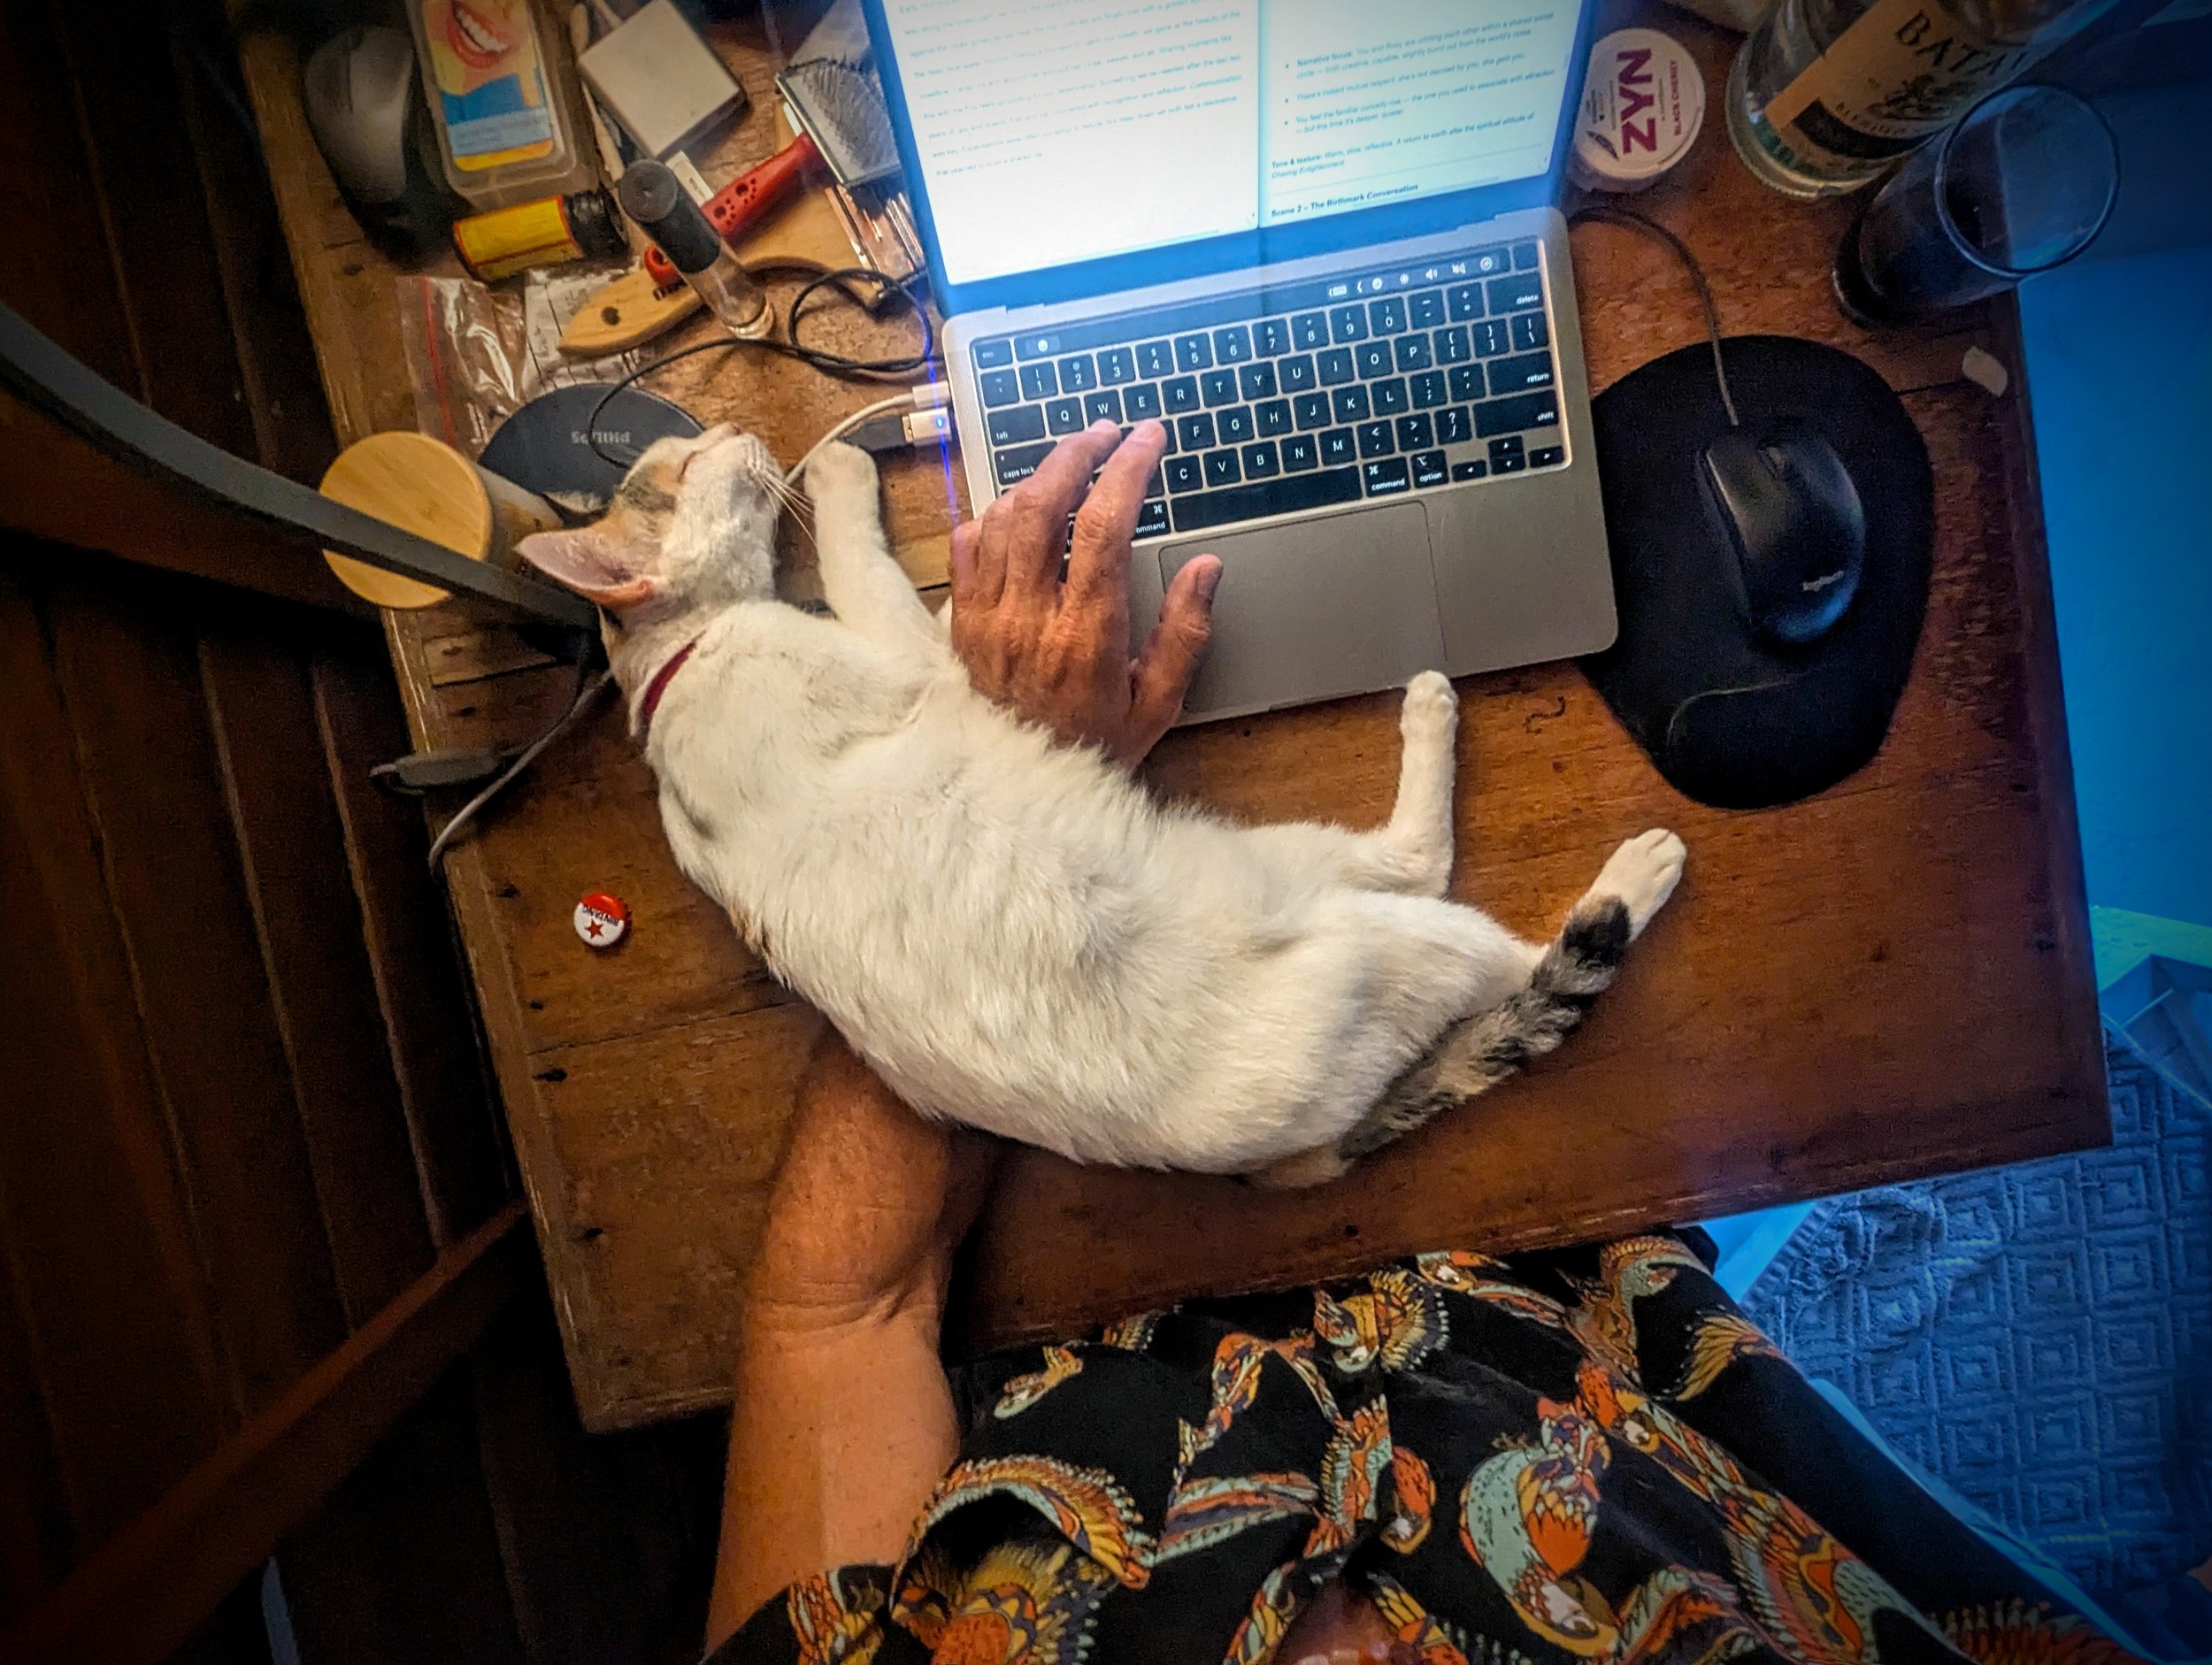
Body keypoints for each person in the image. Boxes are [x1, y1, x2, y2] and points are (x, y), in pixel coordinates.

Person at [702, 420, 2143, 1665]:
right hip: (1556, 1272)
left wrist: (999, 829)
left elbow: (832, 1320)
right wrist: (1013, 811)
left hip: (1124, 1200)